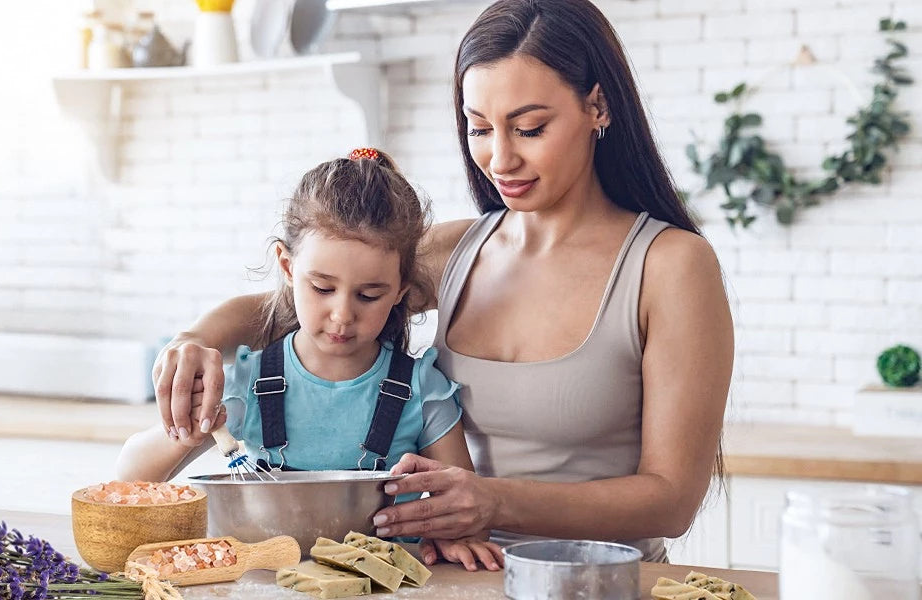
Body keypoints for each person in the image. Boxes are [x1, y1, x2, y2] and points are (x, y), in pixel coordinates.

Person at [147, 0, 734, 566]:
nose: (499, 159)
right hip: (451, 573)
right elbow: (305, 298)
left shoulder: (671, 266)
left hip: (598, 581)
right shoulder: (456, 252)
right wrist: (192, 340)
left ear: (598, 106)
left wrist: (496, 501)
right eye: (479, 128)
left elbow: (672, 500)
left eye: (529, 128)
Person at [117, 148, 505, 571]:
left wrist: (458, 537)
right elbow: (129, 476)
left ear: (400, 290)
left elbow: (465, 508)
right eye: (322, 288)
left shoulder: (420, 388)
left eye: (369, 295)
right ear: (286, 266)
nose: (342, 315)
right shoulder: (251, 381)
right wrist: (186, 431)